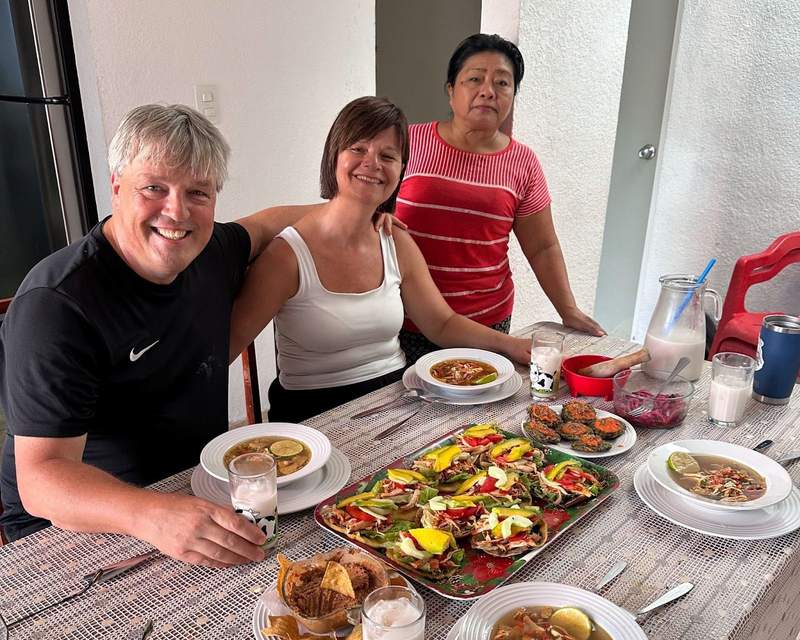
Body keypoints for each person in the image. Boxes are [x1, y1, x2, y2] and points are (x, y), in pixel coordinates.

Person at [0, 104, 314, 566]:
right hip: (74, 527)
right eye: (154, 187)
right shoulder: (56, 304)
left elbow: (269, 222)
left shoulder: (212, 250)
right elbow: (41, 480)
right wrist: (153, 515)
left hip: (188, 488)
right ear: (117, 188)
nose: (177, 212)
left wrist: (358, 213)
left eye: (198, 192)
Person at [229, 96, 531, 424]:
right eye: (358, 149)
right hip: (312, 416)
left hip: (396, 400)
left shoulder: (396, 240)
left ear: (401, 170)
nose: (372, 163)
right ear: (334, 155)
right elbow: (227, 346)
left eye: (388, 156)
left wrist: (511, 345)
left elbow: (441, 323)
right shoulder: (286, 255)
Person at [395, 33, 605, 365]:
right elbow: (368, 217)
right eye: (474, 79)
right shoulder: (407, 143)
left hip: (486, 324)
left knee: (479, 414)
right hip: (405, 320)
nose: (488, 91)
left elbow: (542, 246)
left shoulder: (524, 163)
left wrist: (568, 309)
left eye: (503, 83)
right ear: (451, 90)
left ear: (512, 95)